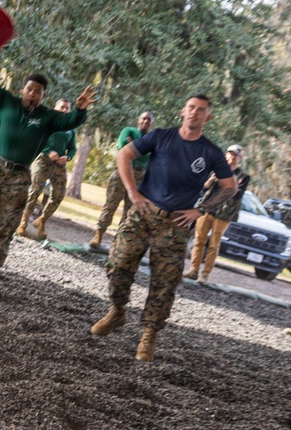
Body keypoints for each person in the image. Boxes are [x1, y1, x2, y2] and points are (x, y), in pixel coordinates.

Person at [90, 94, 236, 362]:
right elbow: (124, 154)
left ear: (208, 117)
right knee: (119, 262)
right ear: (183, 111)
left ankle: (149, 335)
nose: (194, 113)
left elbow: (230, 187)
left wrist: (200, 210)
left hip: (175, 224)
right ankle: (117, 310)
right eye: (191, 107)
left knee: (164, 282)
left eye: (201, 110)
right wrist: (133, 192)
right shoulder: (160, 136)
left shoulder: (211, 152)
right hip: (143, 212)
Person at [0, 68, 95, 297]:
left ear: (42, 96)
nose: (32, 93)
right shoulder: (6, 102)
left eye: (38, 92)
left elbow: (71, 121)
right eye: (29, 89)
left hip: (19, 178)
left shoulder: (48, 117)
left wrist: (80, 108)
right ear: (23, 90)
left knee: (6, 229)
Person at [184, 144, 251, 282]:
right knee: (199, 240)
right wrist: (210, 180)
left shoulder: (243, 176)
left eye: (236, 155)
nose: (232, 157)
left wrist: (232, 183)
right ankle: (193, 270)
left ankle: (205, 275)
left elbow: (238, 196)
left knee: (214, 244)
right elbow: (203, 187)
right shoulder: (215, 168)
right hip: (206, 208)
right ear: (226, 154)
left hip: (224, 212)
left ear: (240, 158)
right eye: (230, 153)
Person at [90, 111, 154, 247]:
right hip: (121, 173)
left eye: (148, 120)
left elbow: (147, 156)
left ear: (151, 123)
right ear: (138, 119)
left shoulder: (152, 138)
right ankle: (99, 235)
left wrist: (134, 146)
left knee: (130, 211)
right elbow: (123, 149)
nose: (145, 122)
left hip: (139, 178)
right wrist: (140, 150)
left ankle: (118, 242)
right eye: (143, 118)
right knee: (111, 205)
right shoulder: (128, 130)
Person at [16, 97, 75, 240]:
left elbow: (72, 149)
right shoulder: (47, 122)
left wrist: (67, 158)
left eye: (67, 108)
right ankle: (23, 222)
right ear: (55, 108)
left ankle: (41, 221)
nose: (64, 110)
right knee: (35, 190)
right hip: (42, 159)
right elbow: (36, 137)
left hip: (59, 165)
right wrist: (48, 150)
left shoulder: (70, 129)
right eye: (61, 107)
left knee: (59, 194)